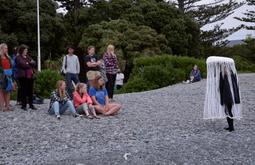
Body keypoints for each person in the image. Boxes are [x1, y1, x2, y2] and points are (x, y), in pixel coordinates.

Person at [204, 56, 242, 132]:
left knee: (228, 111)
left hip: (226, 96)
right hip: (231, 95)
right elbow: (235, 85)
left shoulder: (223, 75)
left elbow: (220, 86)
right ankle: (230, 126)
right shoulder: (232, 74)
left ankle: (231, 127)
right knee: (228, 110)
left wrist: (218, 92)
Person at [15, 44, 37, 110]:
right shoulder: (18, 57)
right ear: (22, 50)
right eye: (25, 50)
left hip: (30, 76)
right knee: (23, 91)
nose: (26, 51)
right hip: (23, 76)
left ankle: (31, 104)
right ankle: (23, 105)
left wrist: (28, 63)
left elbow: (34, 63)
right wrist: (29, 63)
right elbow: (22, 64)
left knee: (30, 90)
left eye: (26, 50)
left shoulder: (28, 56)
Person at [0, 43, 13, 111]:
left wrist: (10, 72)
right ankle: (2, 107)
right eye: (5, 48)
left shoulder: (8, 57)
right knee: (1, 91)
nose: (7, 49)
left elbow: (11, 65)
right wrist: (3, 71)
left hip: (9, 75)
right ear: (1, 49)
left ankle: (7, 106)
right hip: (1, 75)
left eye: (7, 48)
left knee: (8, 90)